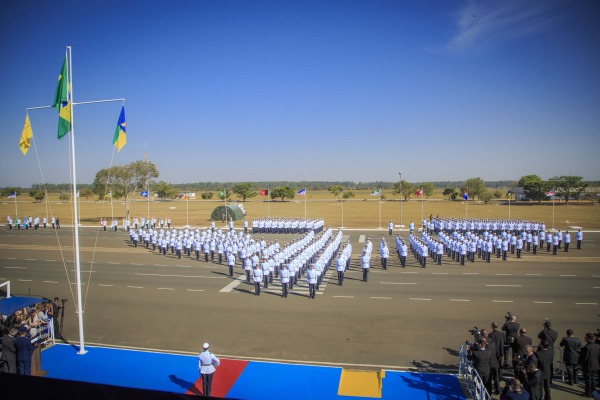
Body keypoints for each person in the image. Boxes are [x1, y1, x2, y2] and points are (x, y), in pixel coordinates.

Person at [579, 332, 600, 398]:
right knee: (593, 379)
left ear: (589, 339)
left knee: (587, 380)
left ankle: (588, 393)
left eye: (586, 337)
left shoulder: (587, 347)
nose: (584, 338)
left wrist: (580, 363)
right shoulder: (598, 346)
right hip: (596, 365)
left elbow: (584, 358)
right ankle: (593, 391)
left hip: (588, 366)